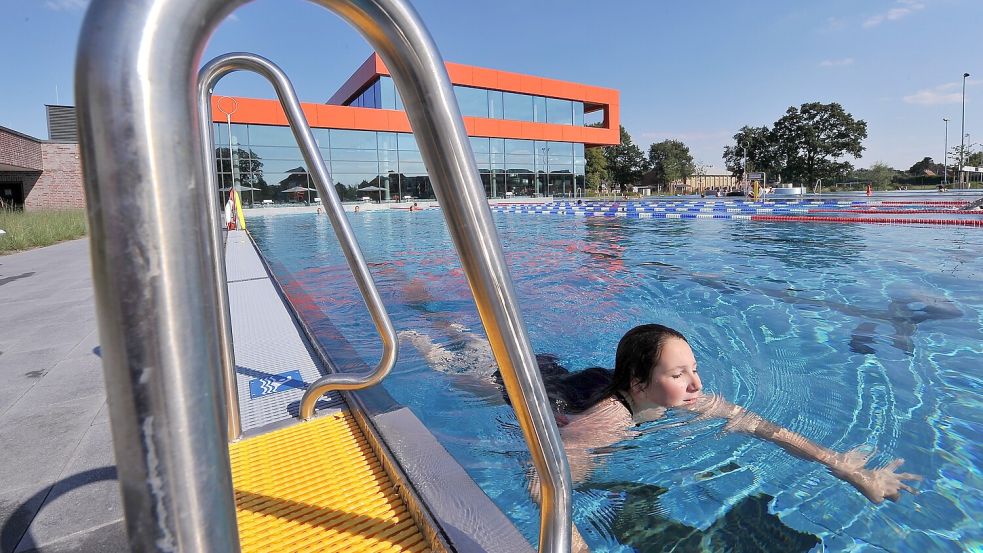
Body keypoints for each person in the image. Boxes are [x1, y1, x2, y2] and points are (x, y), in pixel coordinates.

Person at [401, 323, 921, 550]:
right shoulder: (610, 420)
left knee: (486, 341)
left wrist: (848, 468)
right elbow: (546, 482)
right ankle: (421, 337)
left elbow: (767, 429)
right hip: (527, 391)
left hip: (564, 376)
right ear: (639, 384)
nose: (696, 384)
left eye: (693, 368)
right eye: (679, 375)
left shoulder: (686, 398)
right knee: (458, 362)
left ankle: (460, 330)